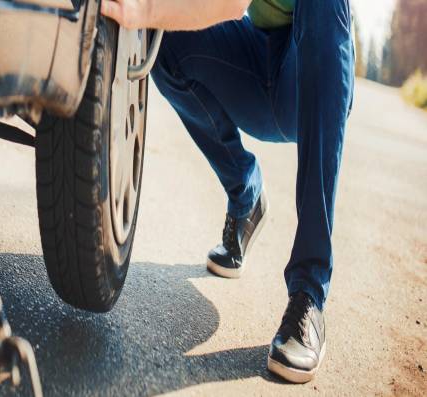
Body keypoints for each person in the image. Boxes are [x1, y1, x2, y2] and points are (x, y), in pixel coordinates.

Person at [101, 0, 354, 383]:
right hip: (255, 62)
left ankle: (309, 293)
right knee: (165, 41)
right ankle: (245, 193)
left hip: (309, 79)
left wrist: (141, 9)